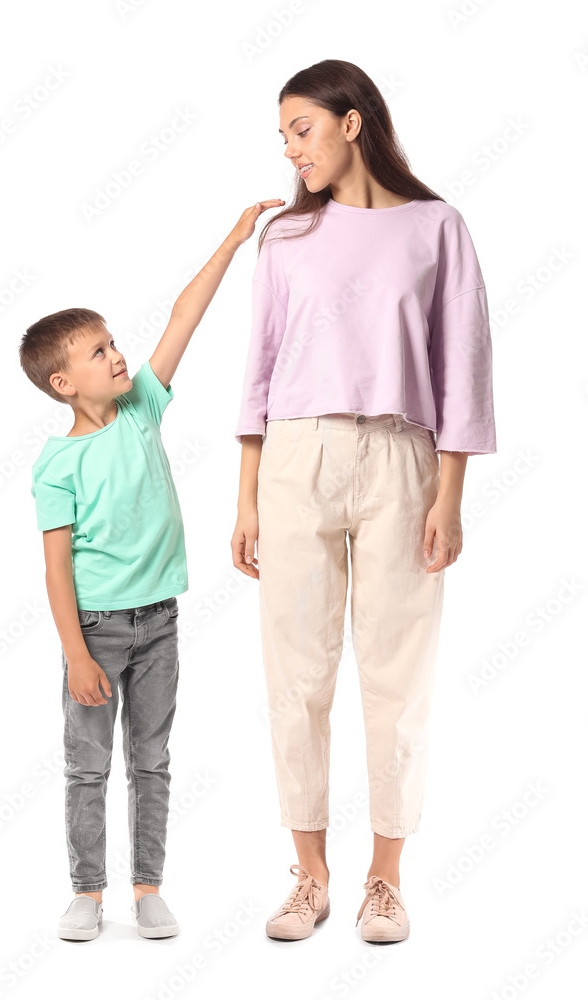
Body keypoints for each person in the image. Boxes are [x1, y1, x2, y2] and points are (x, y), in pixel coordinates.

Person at [230, 59, 497, 943]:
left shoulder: (437, 226)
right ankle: (309, 876)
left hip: (400, 457)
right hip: (295, 456)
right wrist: (246, 498)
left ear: (352, 122)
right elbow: (260, 365)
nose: (290, 150)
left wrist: (450, 494)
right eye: (282, 137)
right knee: (295, 674)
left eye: (301, 129)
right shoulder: (284, 238)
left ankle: (385, 879)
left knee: (397, 674)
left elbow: (463, 365)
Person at [19, 197, 284, 943]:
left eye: (113, 343)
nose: (117, 356)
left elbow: (183, 316)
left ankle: (148, 889)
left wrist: (234, 239)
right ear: (64, 383)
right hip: (96, 630)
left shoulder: (140, 408)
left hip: (160, 621)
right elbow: (55, 570)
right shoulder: (56, 464)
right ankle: (86, 892)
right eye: (98, 352)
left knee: (152, 761)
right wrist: (76, 654)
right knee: (87, 767)